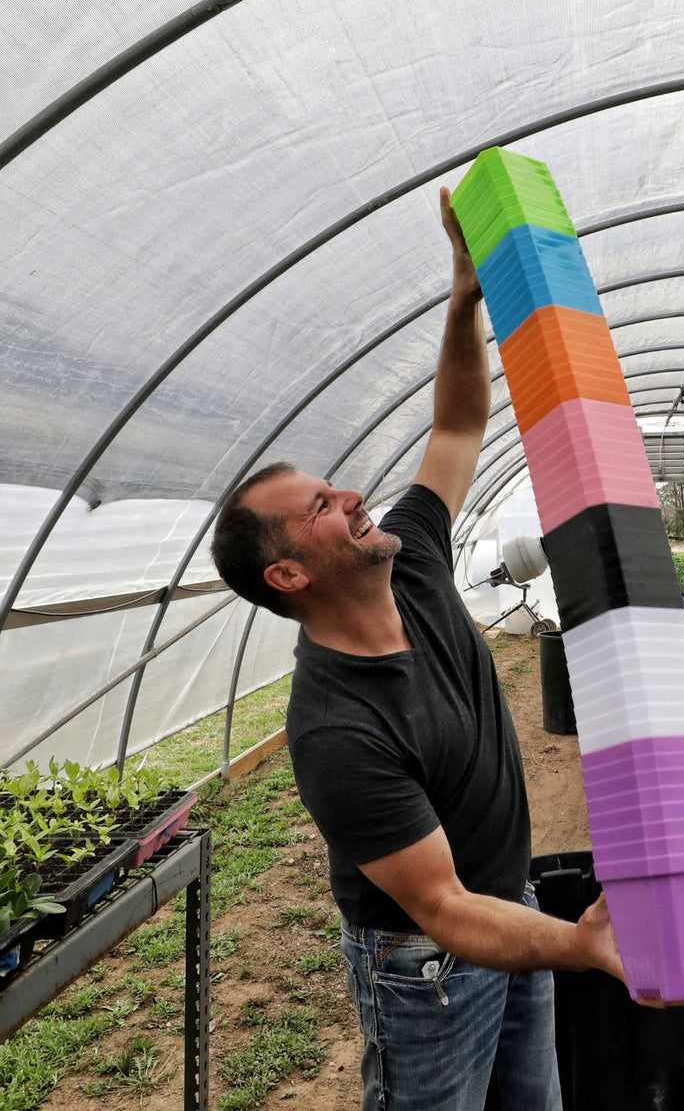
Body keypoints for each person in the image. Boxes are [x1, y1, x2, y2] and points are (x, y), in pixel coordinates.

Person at [210, 190, 634, 1111]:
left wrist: (461, 299)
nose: (355, 496)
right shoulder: (335, 729)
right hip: (429, 963)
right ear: (288, 577)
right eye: (323, 508)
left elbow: (454, 429)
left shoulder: (414, 561)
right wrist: (579, 943)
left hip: (507, 907)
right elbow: (438, 906)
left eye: (334, 487)